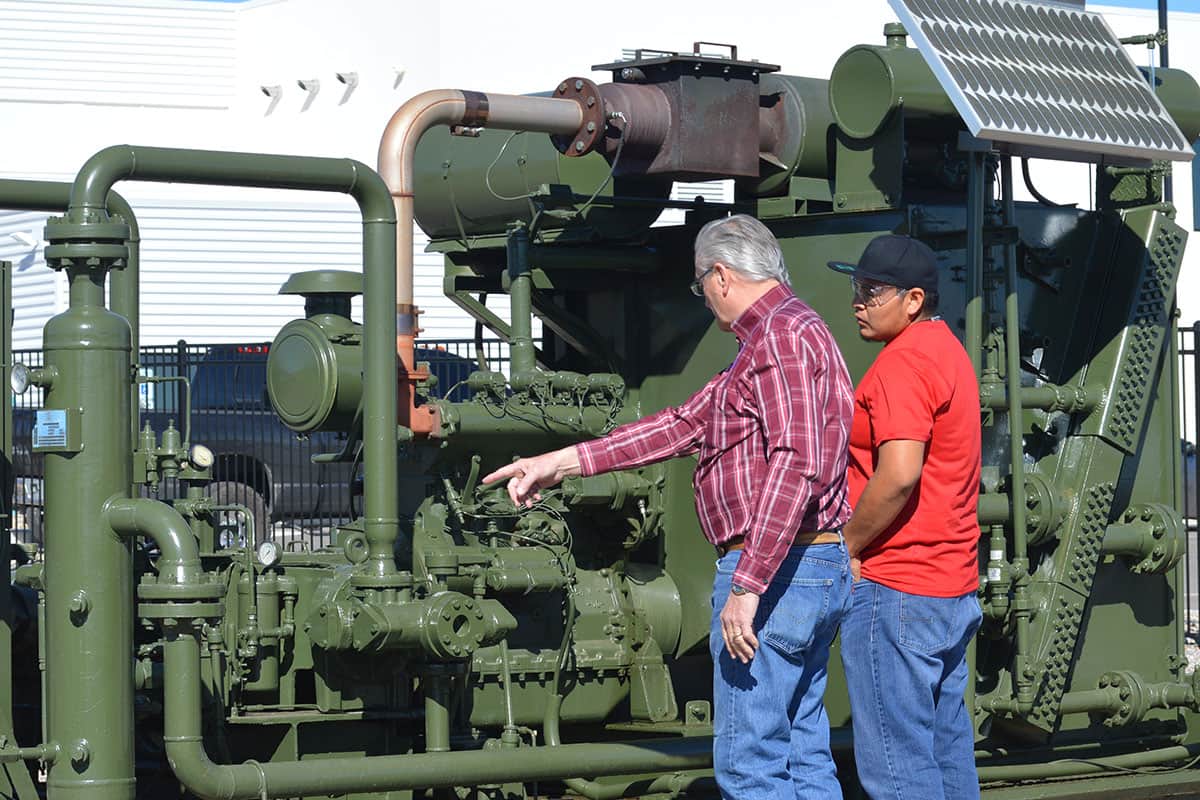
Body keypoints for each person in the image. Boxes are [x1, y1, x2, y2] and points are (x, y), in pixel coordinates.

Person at [483, 214, 856, 799]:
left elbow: (798, 463)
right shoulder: (783, 338)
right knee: (802, 754)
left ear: (722, 276)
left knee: (751, 763)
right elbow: (679, 426)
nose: (704, 299)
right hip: (813, 566)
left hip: (777, 573)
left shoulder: (778, 339)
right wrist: (559, 462)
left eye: (701, 286)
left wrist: (749, 584)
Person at [827, 234, 983, 800]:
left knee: (898, 772)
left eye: (872, 291)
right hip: (950, 587)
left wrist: (846, 543)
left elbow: (898, 474)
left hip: (898, 588)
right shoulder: (948, 350)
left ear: (913, 299)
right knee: (947, 757)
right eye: (856, 286)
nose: (857, 302)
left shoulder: (903, 364)